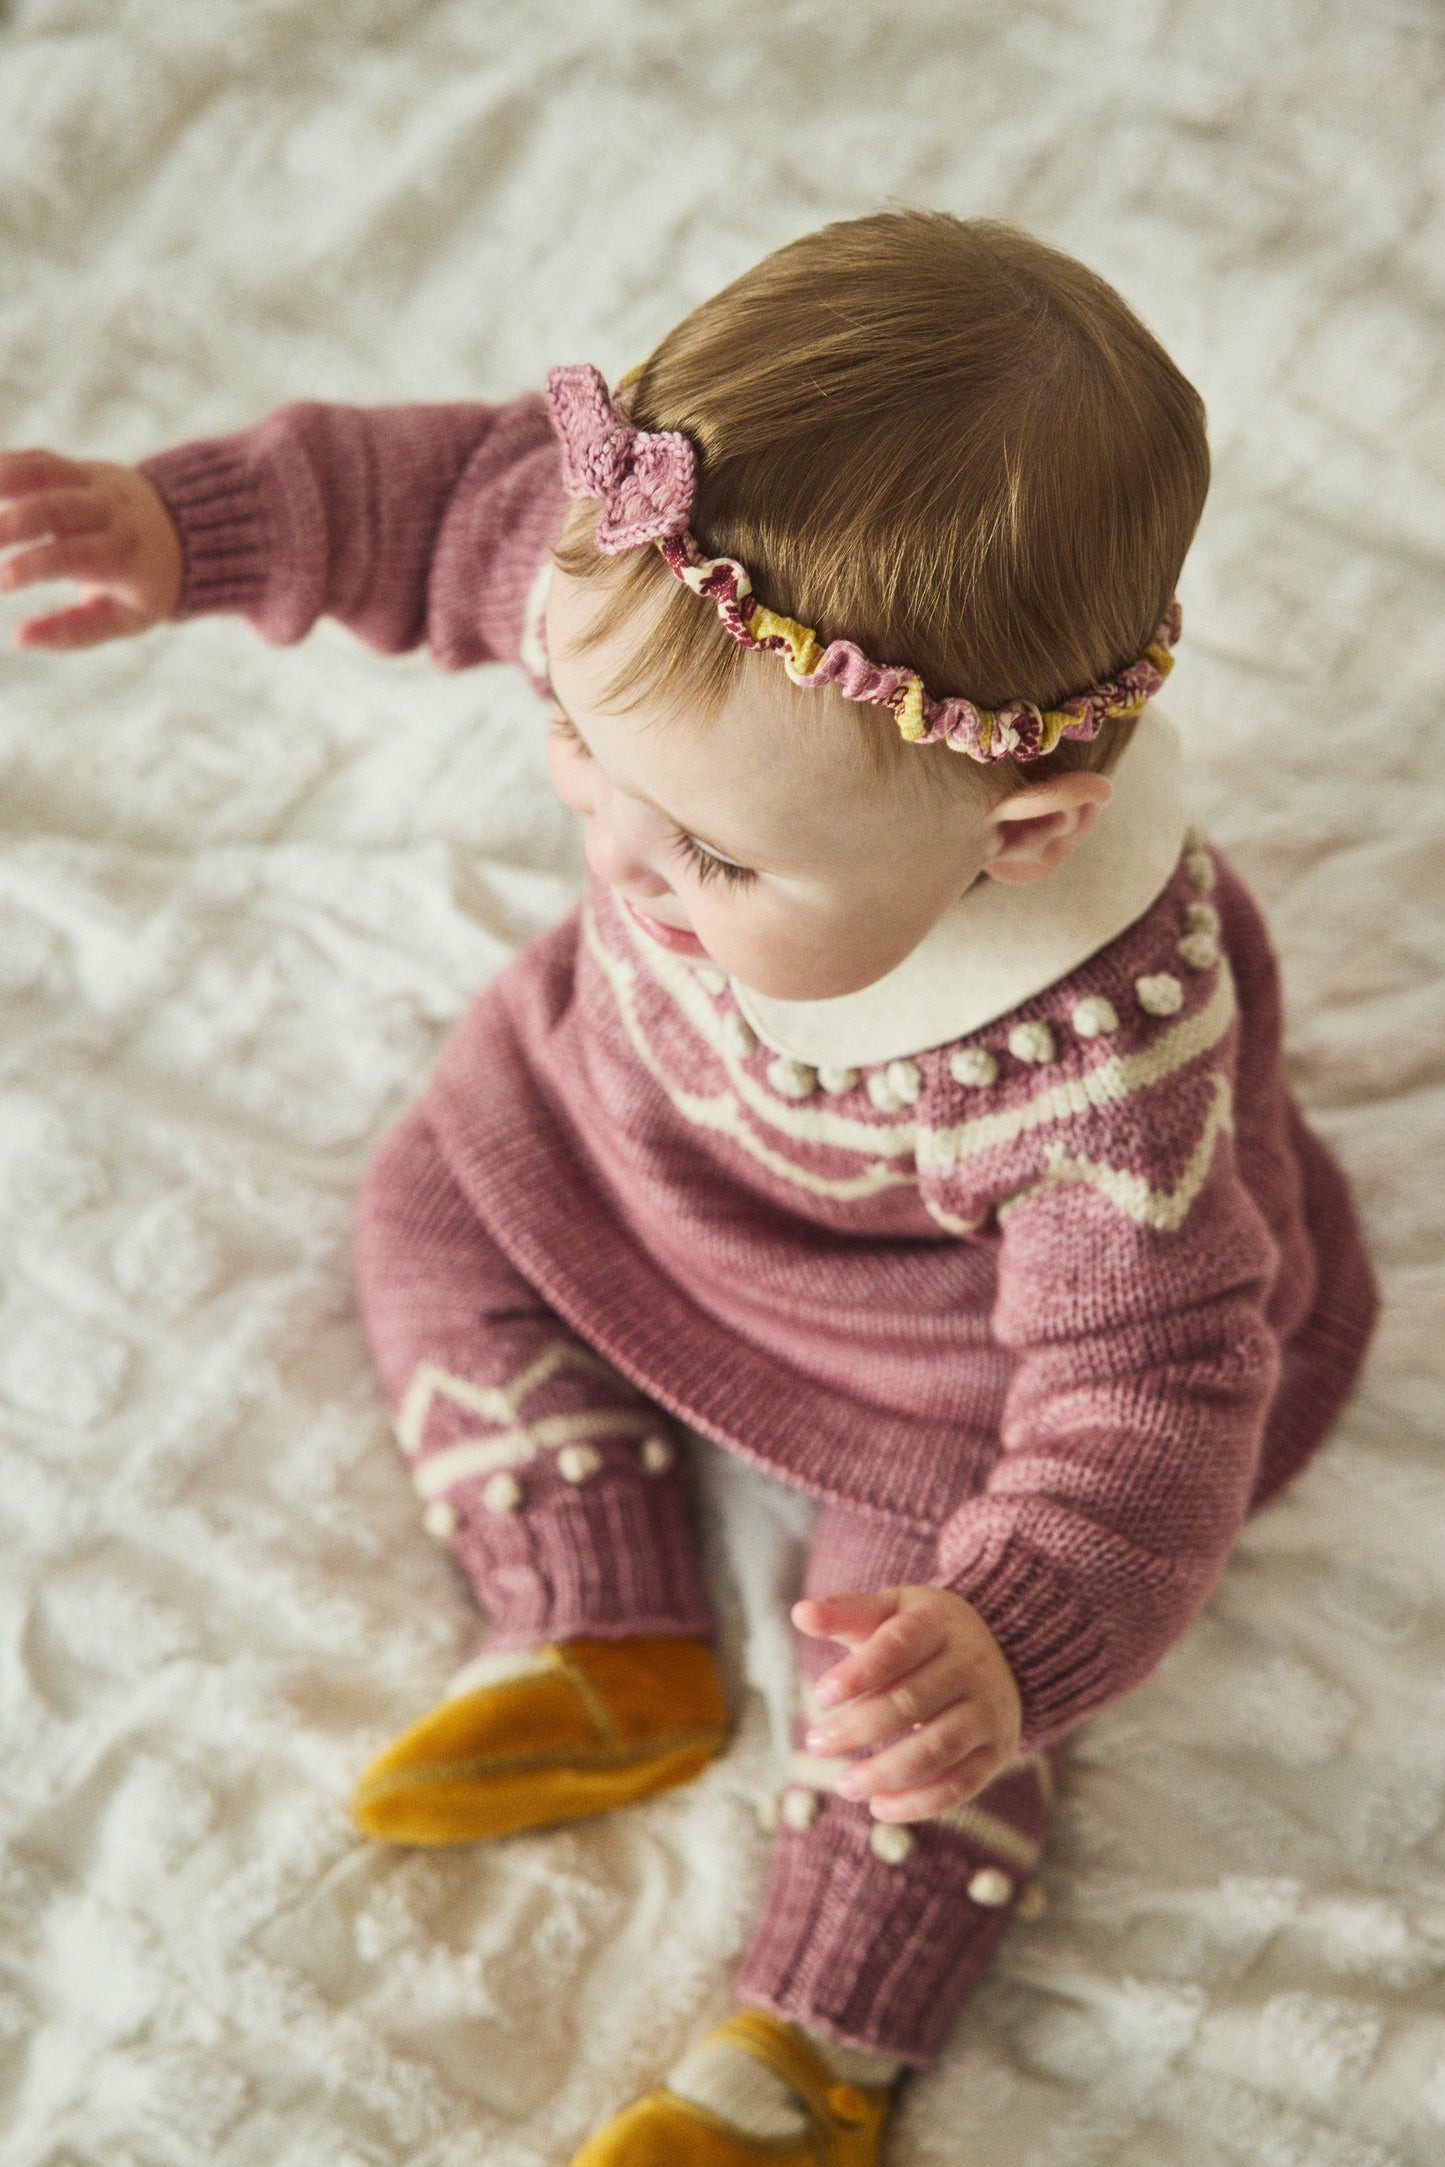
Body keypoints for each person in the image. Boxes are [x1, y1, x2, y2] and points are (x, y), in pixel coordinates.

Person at [0, 210, 1377, 2167]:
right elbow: (430, 501)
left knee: (902, 1676)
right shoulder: (653, 592)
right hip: (619, 1123)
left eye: (716, 862)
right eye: (576, 741)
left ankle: (811, 2048)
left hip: (937, 1365)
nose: (618, 852)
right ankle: (599, 1616)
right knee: (430, 1203)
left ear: (1022, 835)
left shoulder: (1101, 1061)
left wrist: (1017, 1631)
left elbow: (1148, 1397)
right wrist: (180, 525)